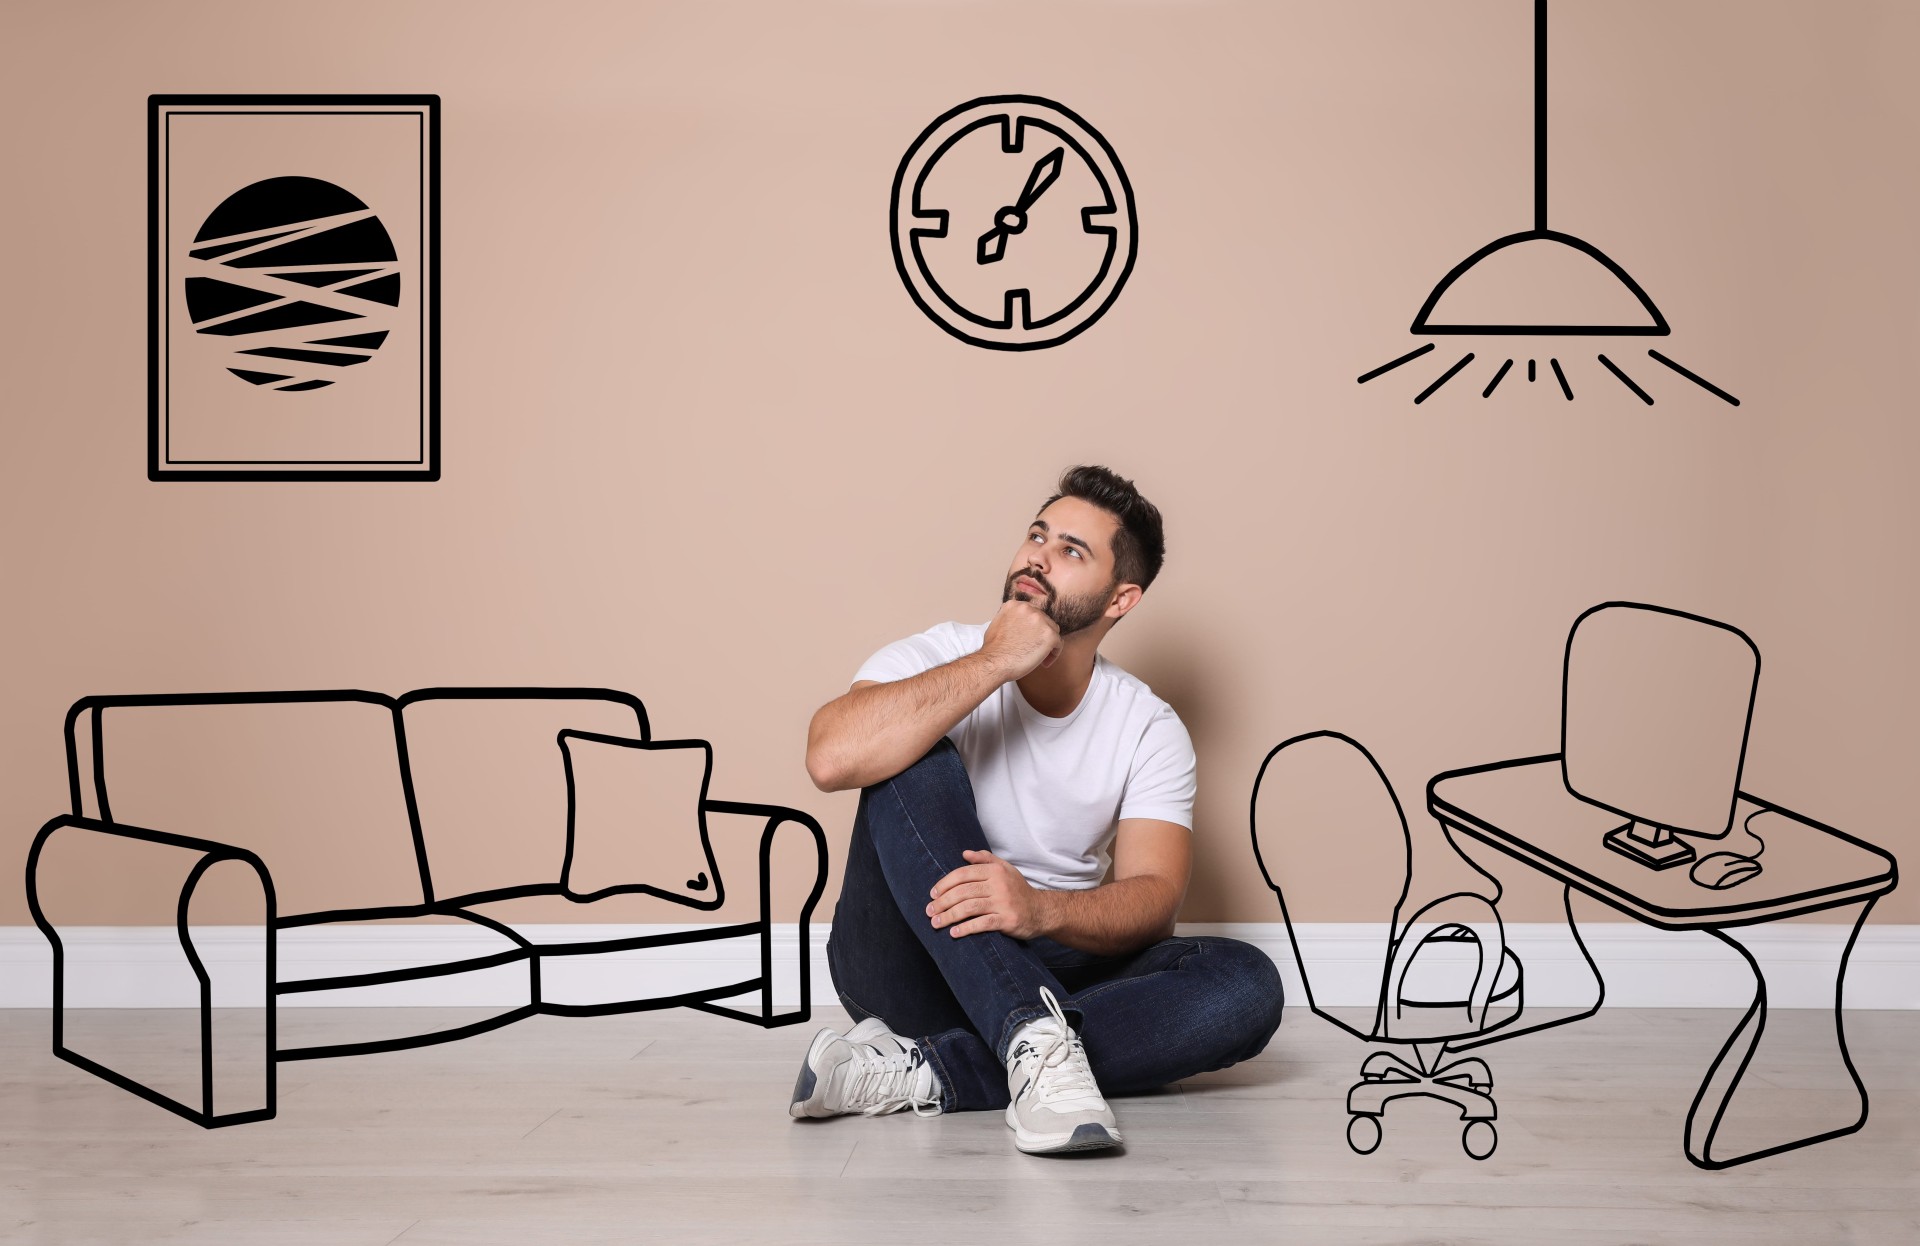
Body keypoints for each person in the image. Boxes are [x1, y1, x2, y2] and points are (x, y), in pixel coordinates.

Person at [788, 465, 1283, 1154]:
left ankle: (933, 1070)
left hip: (1053, 959)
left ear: (1121, 598)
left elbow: (1153, 900)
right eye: (1037, 536)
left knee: (1246, 983)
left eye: (1071, 551)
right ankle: (1034, 1038)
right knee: (912, 746)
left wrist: (1038, 909)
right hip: (912, 956)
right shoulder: (941, 656)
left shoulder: (1147, 725)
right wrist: (995, 663)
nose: (1038, 558)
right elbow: (830, 758)